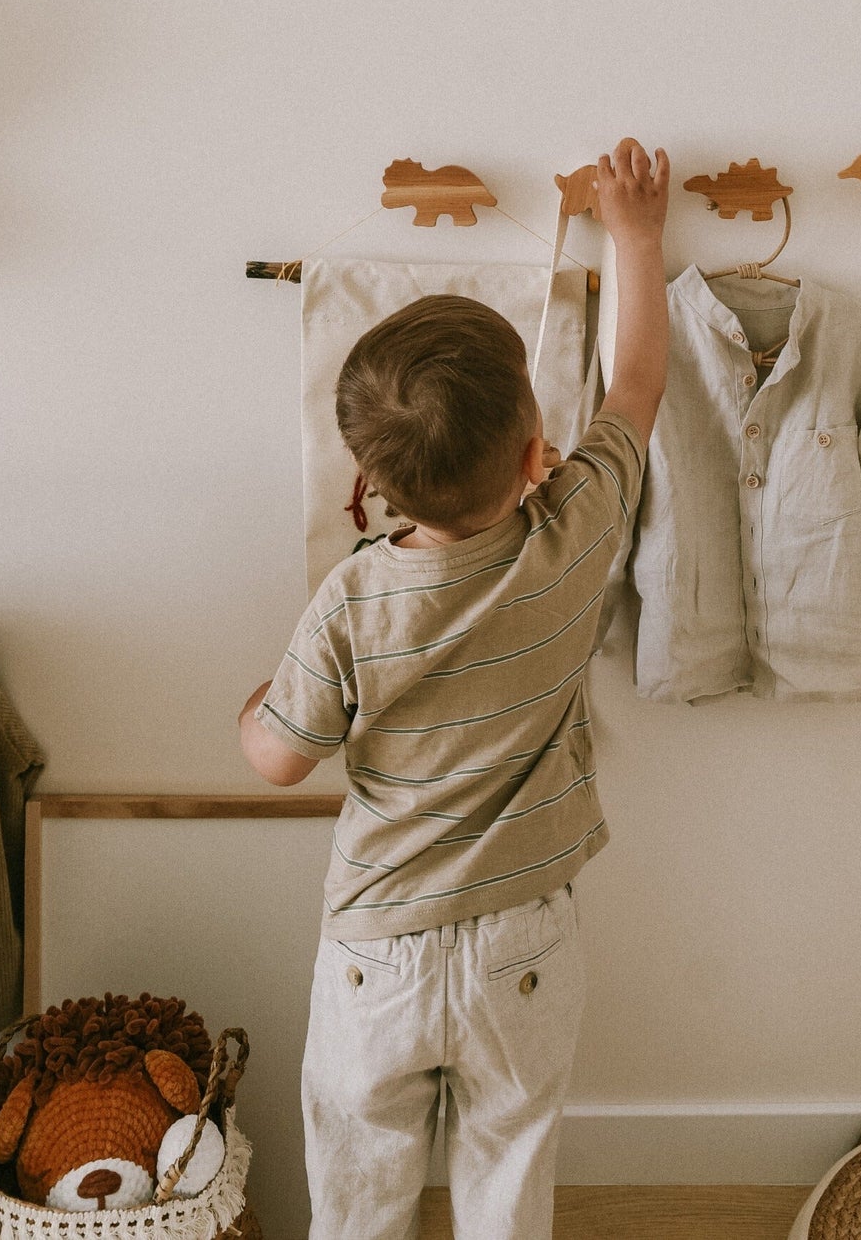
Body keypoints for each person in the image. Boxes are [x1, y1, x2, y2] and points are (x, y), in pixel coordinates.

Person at [237, 138, 669, 1240]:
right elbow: (634, 384)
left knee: (359, 1185)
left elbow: (279, 755)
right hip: (524, 939)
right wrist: (634, 233)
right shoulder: (573, 530)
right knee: (509, 1170)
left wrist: (261, 700)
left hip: (377, 947)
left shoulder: (350, 600)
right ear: (535, 451)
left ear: (368, 480)